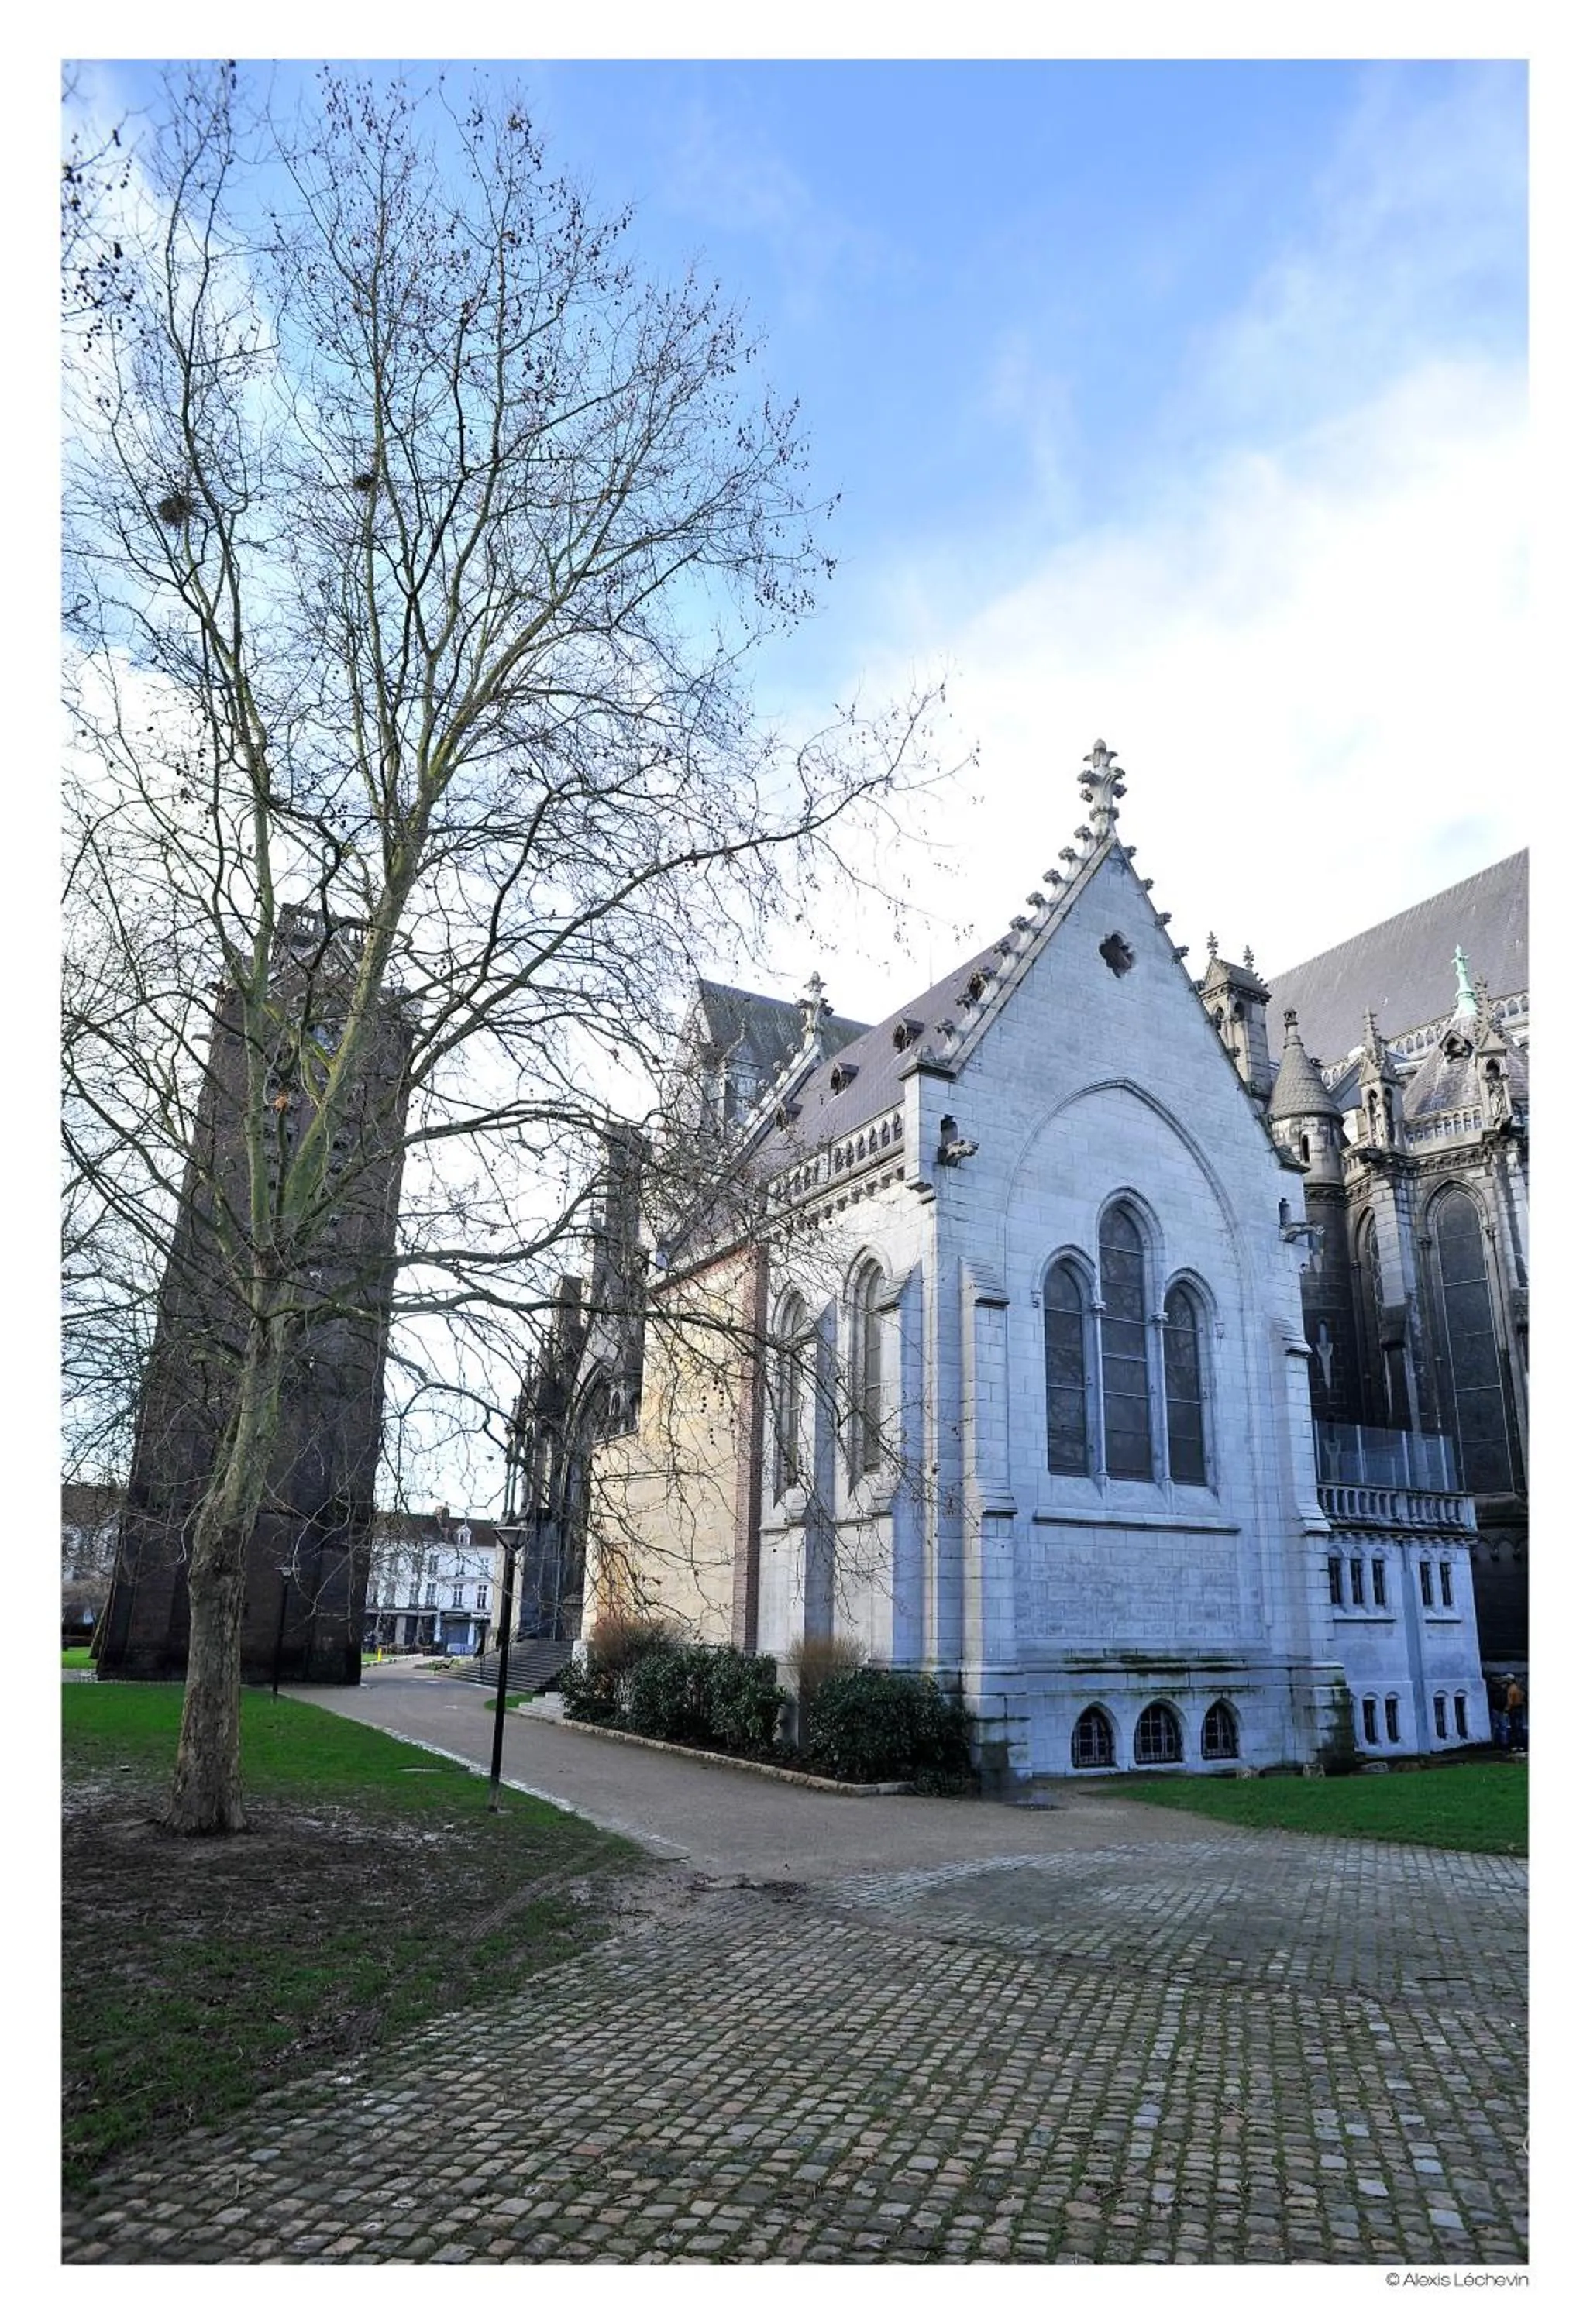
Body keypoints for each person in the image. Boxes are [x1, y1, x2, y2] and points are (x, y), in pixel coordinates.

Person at [1505, 1674, 1526, 1752]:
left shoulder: (1511, 1689)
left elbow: (1510, 1702)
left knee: (1514, 1727)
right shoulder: (1518, 1688)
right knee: (1520, 1727)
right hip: (1520, 1708)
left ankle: (1514, 1745)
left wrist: (1506, 1710)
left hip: (1513, 1709)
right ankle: (1521, 1745)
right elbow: (1523, 1697)